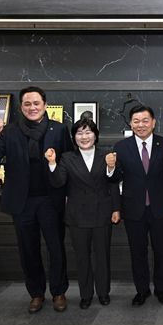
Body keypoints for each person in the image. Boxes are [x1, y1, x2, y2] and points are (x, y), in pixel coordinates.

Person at [0, 86, 73, 313]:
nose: (32, 107)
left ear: (45, 105)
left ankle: (59, 292)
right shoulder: (10, 131)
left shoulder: (59, 129)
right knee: (28, 249)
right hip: (21, 202)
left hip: (51, 200)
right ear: (21, 107)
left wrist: (68, 194)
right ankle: (36, 294)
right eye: (27, 104)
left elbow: (68, 162)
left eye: (36, 103)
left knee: (56, 248)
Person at [107, 105, 163, 306]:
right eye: (136, 121)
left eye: (145, 120)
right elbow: (116, 179)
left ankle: (161, 289)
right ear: (131, 124)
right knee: (137, 252)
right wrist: (110, 168)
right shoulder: (121, 147)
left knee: (161, 251)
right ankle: (142, 290)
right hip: (133, 209)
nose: (141, 125)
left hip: (160, 207)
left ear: (153, 122)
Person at [45, 118, 121, 309]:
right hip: (77, 215)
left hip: (102, 213)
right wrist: (52, 163)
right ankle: (86, 294)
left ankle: (103, 292)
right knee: (82, 257)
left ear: (95, 135)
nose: (84, 137)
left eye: (88, 132)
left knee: (102, 256)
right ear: (74, 137)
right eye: (79, 133)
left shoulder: (107, 155)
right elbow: (58, 182)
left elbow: (113, 184)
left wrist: (116, 208)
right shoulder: (66, 158)